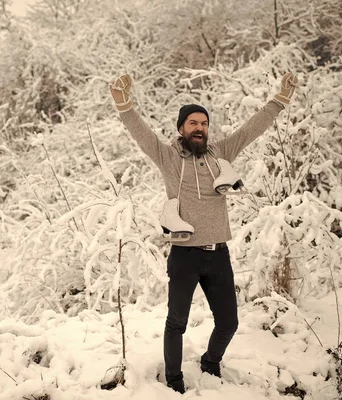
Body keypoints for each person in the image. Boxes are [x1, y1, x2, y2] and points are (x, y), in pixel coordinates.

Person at [109, 72, 298, 393]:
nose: (200, 128)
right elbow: (141, 133)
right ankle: (174, 381)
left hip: (218, 254)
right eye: (193, 123)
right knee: (176, 323)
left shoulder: (221, 155)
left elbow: (252, 129)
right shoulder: (168, 157)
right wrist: (124, 105)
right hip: (185, 255)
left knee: (229, 323)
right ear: (181, 128)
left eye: (204, 123)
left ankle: (210, 362)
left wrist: (279, 100)